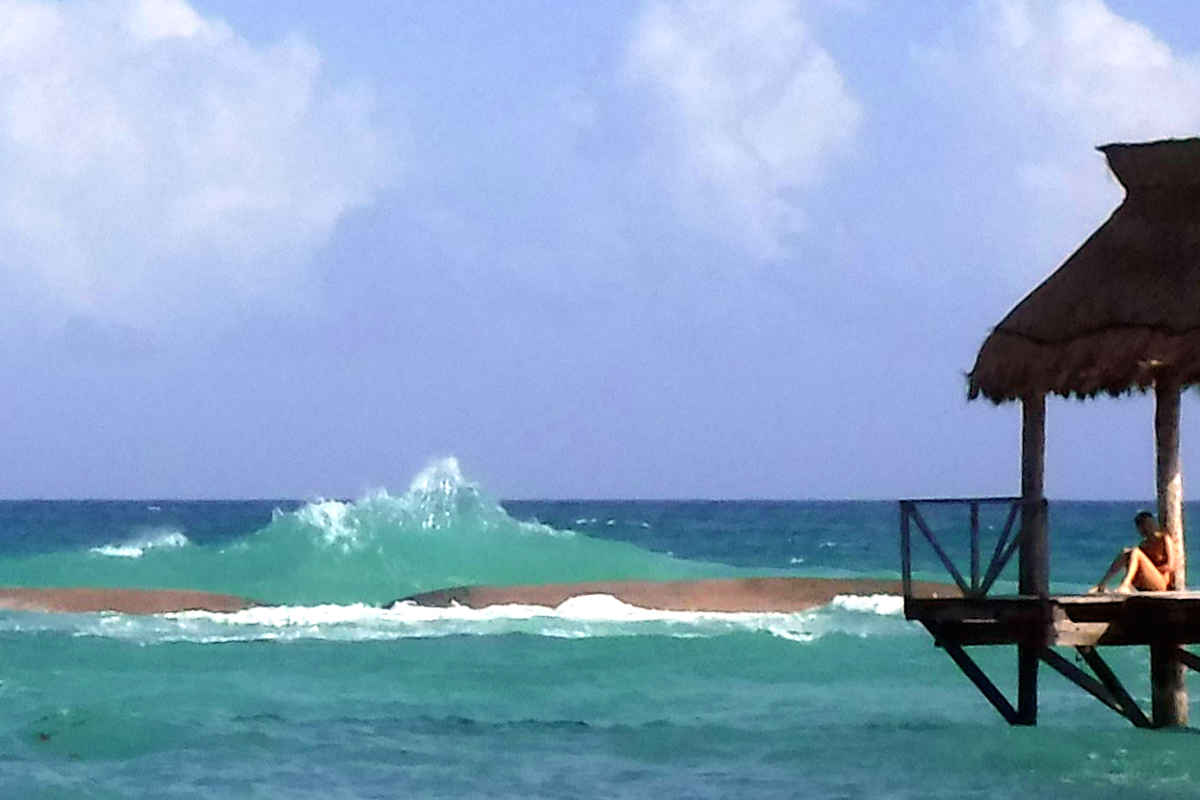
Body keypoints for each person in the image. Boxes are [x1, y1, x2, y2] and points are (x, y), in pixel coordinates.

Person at [1090, 511, 1178, 594]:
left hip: (1161, 583)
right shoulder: (1143, 544)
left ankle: (1125, 584)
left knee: (1135, 551)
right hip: (1144, 584)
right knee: (1126, 552)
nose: (1147, 528)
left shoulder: (1164, 539)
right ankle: (1101, 585)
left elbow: (1171, 566)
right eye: (1143, 526)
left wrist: (1149, 570)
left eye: (1149, 525)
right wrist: (1142, 570)